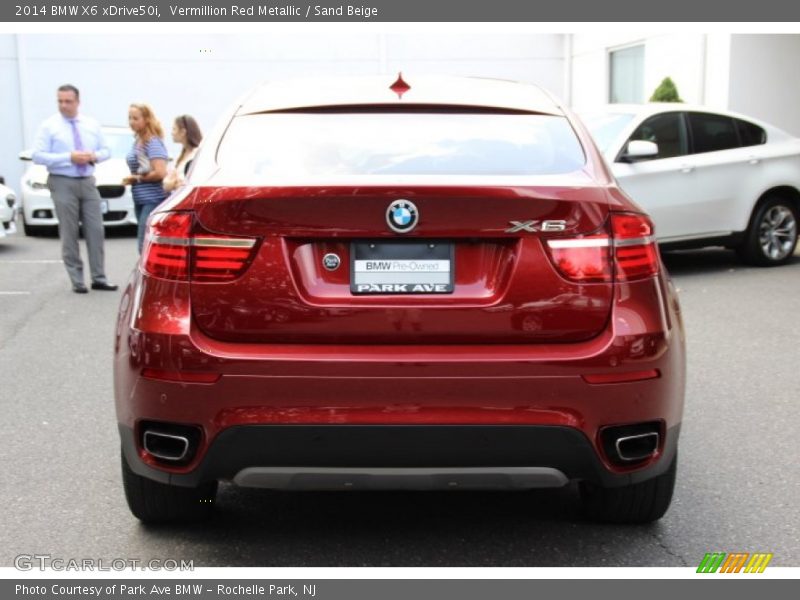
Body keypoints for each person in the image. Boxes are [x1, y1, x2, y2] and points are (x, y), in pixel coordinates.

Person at [32, 84, 118, 293]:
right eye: (60, 101)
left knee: (96, 230)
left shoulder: (90, 124)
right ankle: (77, 280)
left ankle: (99, 277)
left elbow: (106, 150)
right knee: (69, 231)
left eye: (68, 101)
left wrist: (94, 155)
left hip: (87, 180)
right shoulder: (49, 126)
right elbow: (38, 155)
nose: (63, 105)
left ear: (77, 102)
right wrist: (68, 157)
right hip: (62, 180)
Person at [123, 102, 168, 253]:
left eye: (136, 118)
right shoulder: (137, 142)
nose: (131, 122)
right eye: (130, 118)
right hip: (140, 198)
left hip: (152, 198)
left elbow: (160, 172)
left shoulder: (152, 142)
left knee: (144, 244)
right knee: (144, 241)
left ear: (146, 119)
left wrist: (136, 179)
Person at [162, 115, 202, 193]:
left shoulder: (196, 154)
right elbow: (167, 183)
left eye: (174, 129)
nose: (172, 133)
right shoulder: (181, 157)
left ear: (183, 132)